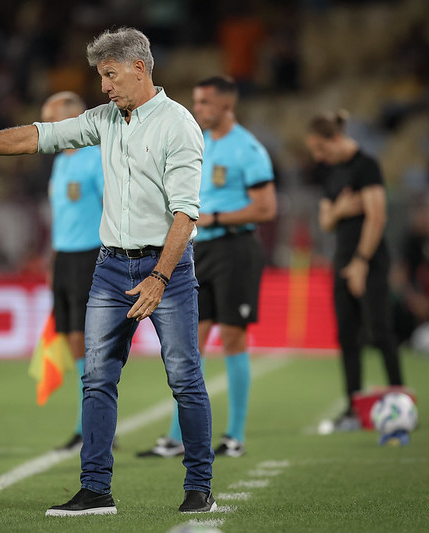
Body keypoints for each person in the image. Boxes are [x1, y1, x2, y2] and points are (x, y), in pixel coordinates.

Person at [0, 27, 216, 516]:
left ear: (140, 68)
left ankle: (199, 488)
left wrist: (160, 277)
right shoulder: (105, 120)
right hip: (110, 267)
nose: (104, 87)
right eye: (101, 77)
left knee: (183, 377)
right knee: (96, 378)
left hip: (168, 268)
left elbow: (185, 214)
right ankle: (96, 489)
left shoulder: (178, 125)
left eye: (110, 75)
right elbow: (39, 136)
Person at [137, 76, 276, 459]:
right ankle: (176, 436)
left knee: (233, 338)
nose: (197, 109)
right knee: (189, 342)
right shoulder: (199, 141)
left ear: (226, 105)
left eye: (204, 103)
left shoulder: (248, 148)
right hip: (200, 251)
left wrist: (214, 217)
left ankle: (234, 435)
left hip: (236, 250)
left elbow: (266, 208)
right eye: (195, 102)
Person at [305, 110, 404, 432]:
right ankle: (353, 408)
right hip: (342, 259)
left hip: (369, 261)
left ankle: (401, 402)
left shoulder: (366, 166)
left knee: (379, 330)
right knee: (347, 335)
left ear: (335, 139)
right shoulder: (329, 171)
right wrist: (342, 209)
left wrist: (361, 262)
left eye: (321, 148)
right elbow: (325, 221)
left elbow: (377, 217)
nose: (318, 156)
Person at [40, 91, 104, 451]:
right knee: (69, 339)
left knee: (85, 340)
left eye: (53, 121)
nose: (47, 128)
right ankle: (89, 422)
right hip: (64, 258)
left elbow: (111, 206)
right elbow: (61, 216)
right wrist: (52, 260)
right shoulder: (60, 161)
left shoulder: (95, 158)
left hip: (89, 256)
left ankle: (90, 426)